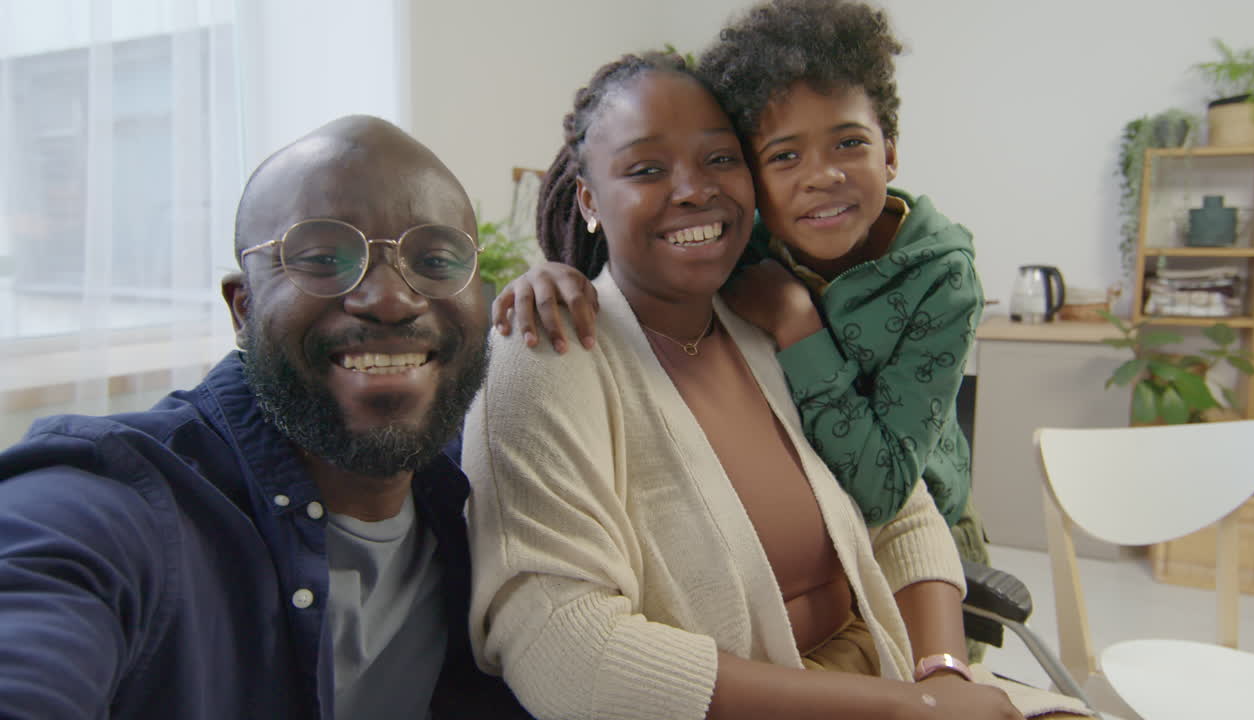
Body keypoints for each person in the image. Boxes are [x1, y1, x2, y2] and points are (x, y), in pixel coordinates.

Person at [464, 51, 1087, 720]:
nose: (694, 189)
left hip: (892, 669)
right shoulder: (550, 353)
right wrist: (905, 709)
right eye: (647, 169)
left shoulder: (772, 314)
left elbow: (902, 508)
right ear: (588, 197)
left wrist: (945, 676)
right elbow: (566, 655)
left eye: (721, 159)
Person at [492, 0, 990, 650]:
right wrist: (553, 274)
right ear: (757, 176)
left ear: (891, 152)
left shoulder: (938, 279)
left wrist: (795, 324)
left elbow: (893, 498)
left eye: (850, 142)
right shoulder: (741, 247)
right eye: (783, 157)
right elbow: (642, 242)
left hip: (920, 536)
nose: (822, 176)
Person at [0, 116, 531, 720]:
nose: (391, 298)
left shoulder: (485, 493)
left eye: (436, 260)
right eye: (324, 257)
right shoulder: (115, 504)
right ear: (243, 306)